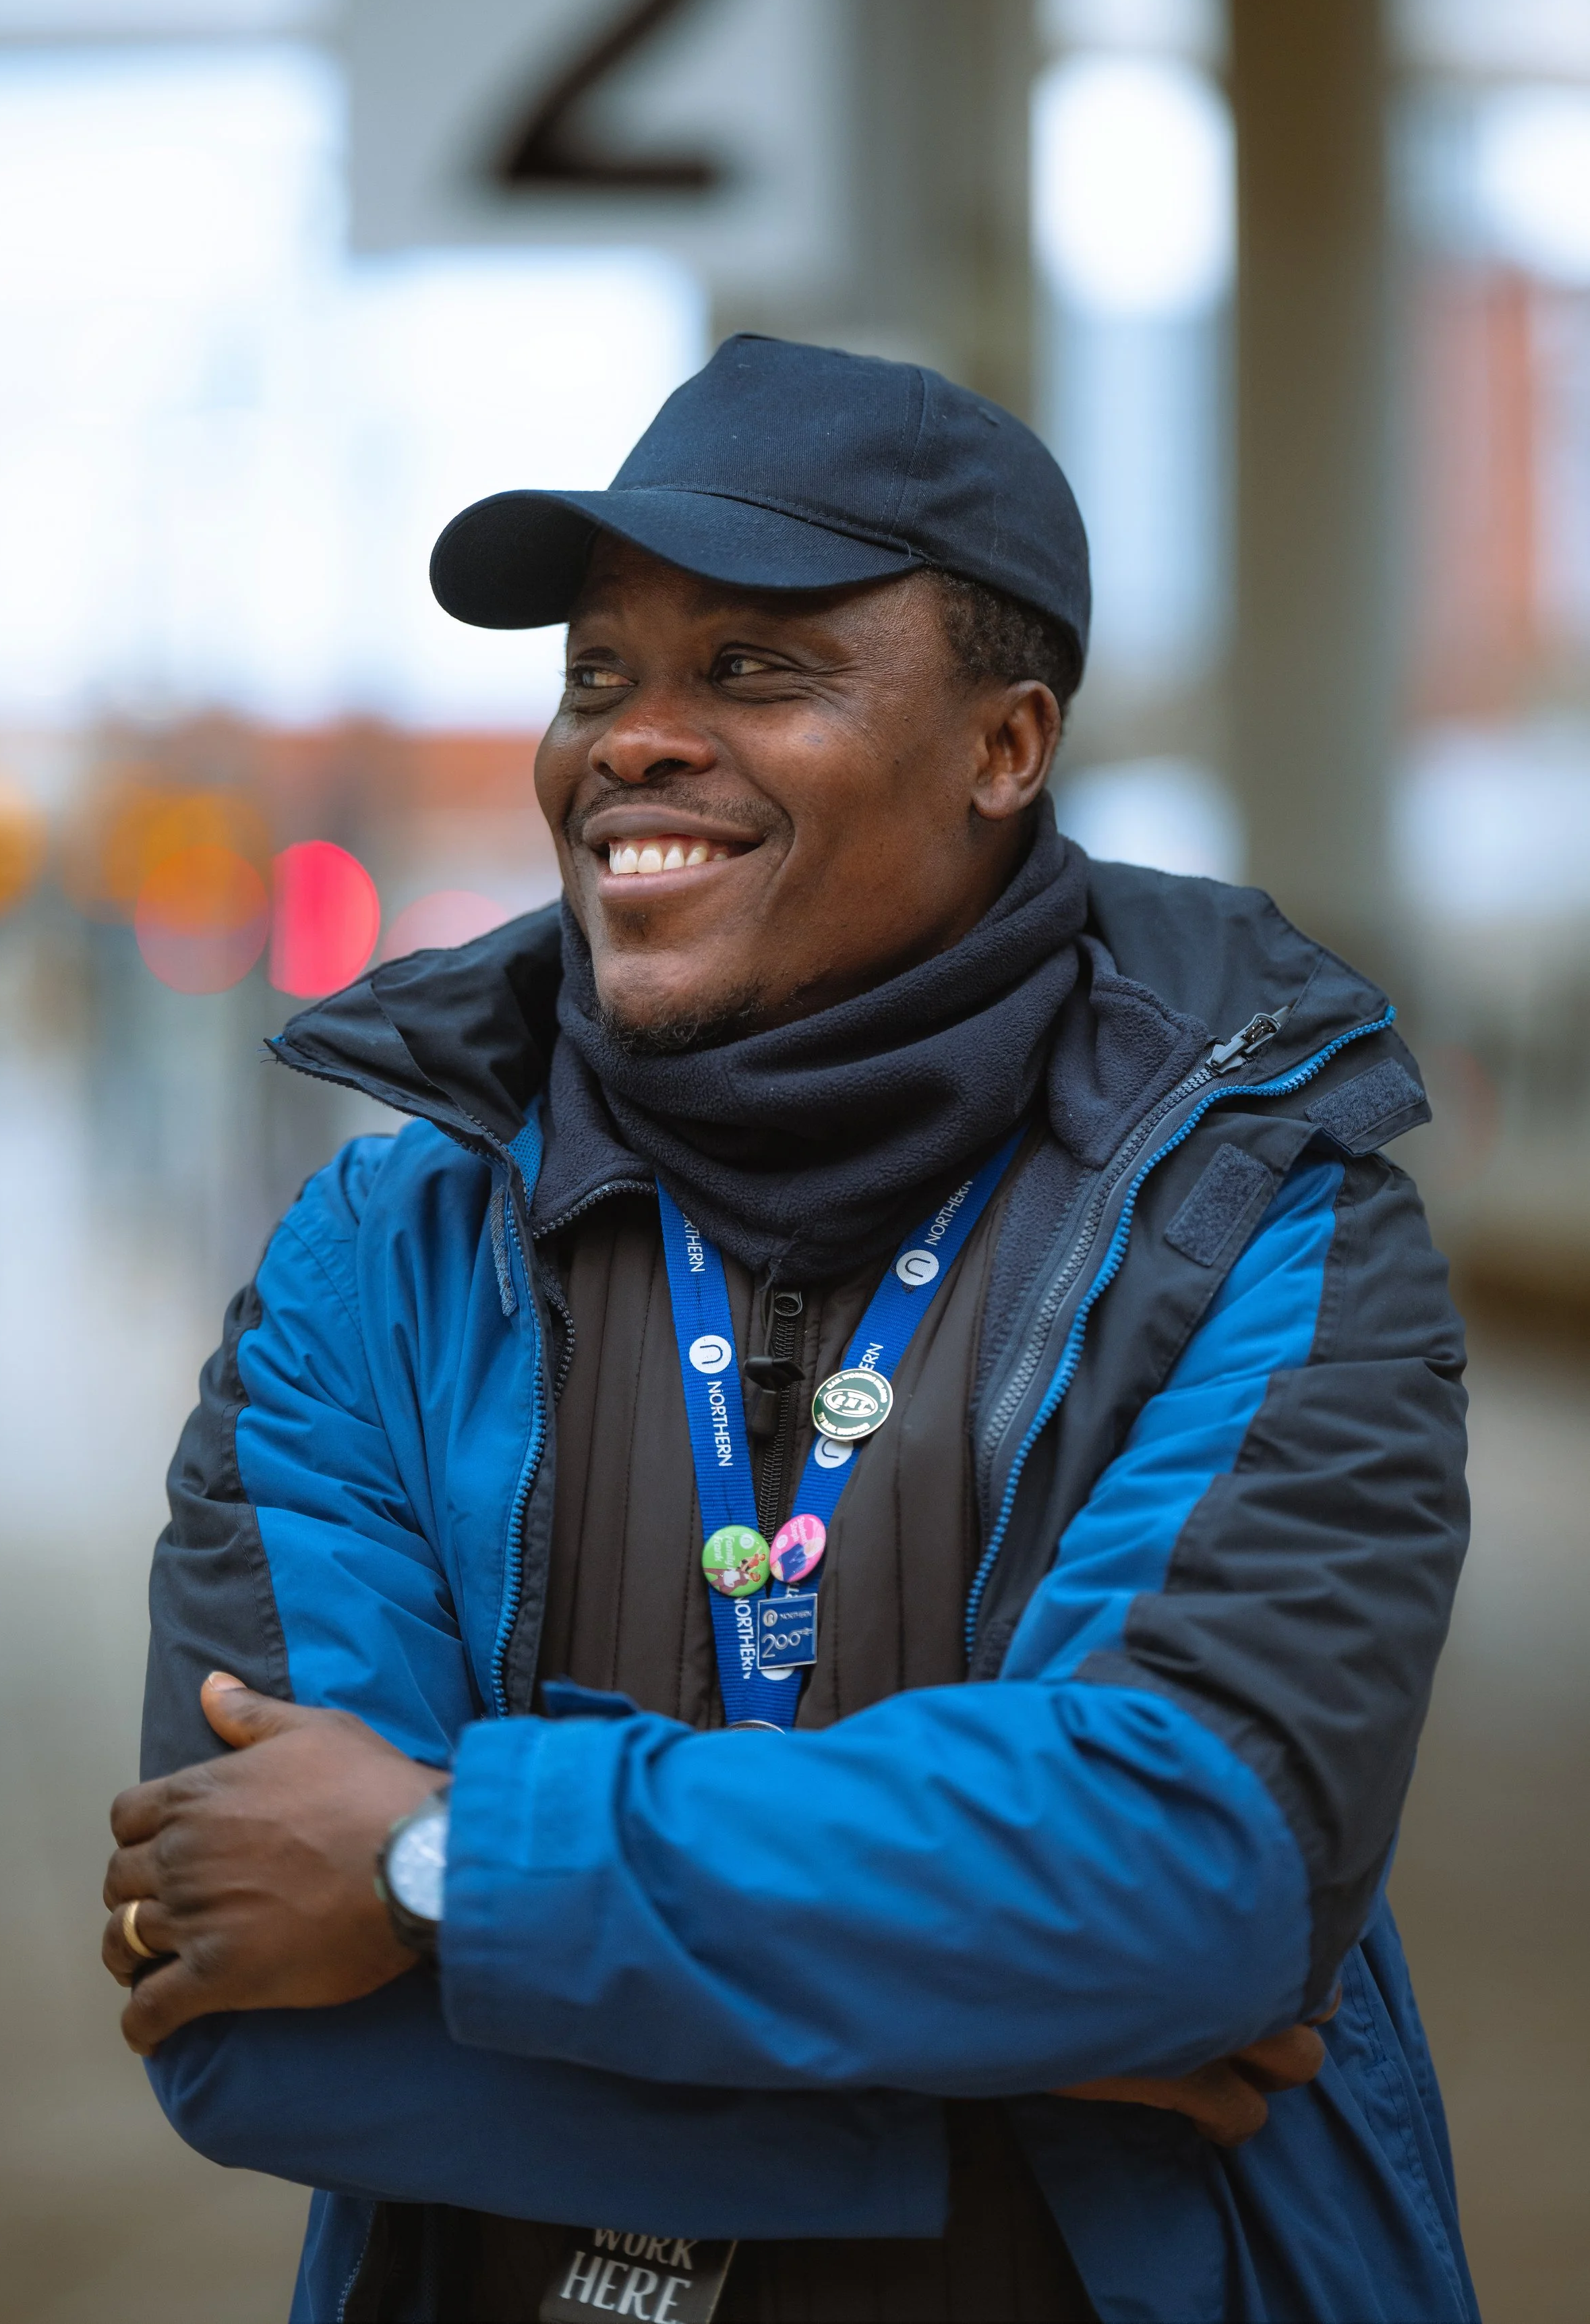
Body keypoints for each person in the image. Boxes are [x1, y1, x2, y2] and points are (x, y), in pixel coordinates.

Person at [103, 336, 1477, 2324]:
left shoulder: (1257, 1217)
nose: (630, 743)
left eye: (754, 669)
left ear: (1007, 747)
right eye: (595, 676)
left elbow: (1193, 1878)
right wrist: (1017, 2058)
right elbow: (245, 1997)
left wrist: (432, 1872)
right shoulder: (375, 1255)